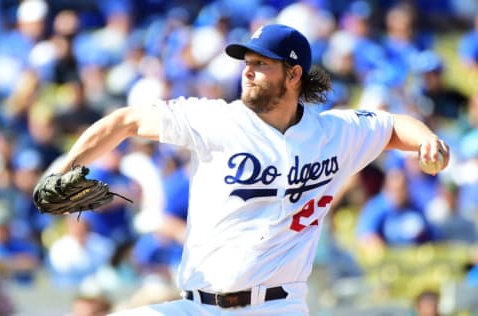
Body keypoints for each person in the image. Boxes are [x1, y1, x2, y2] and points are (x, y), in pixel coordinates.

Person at [48, 24, 450, 315]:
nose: (248, 70)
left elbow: (393, 124)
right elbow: (127, 121)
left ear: (294, 75)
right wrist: (66, 168)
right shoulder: (217, 120)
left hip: (278, 306)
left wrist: (428, 140)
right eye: (247, 61)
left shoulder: (332, 132)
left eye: (262, 63)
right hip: (198, 307)